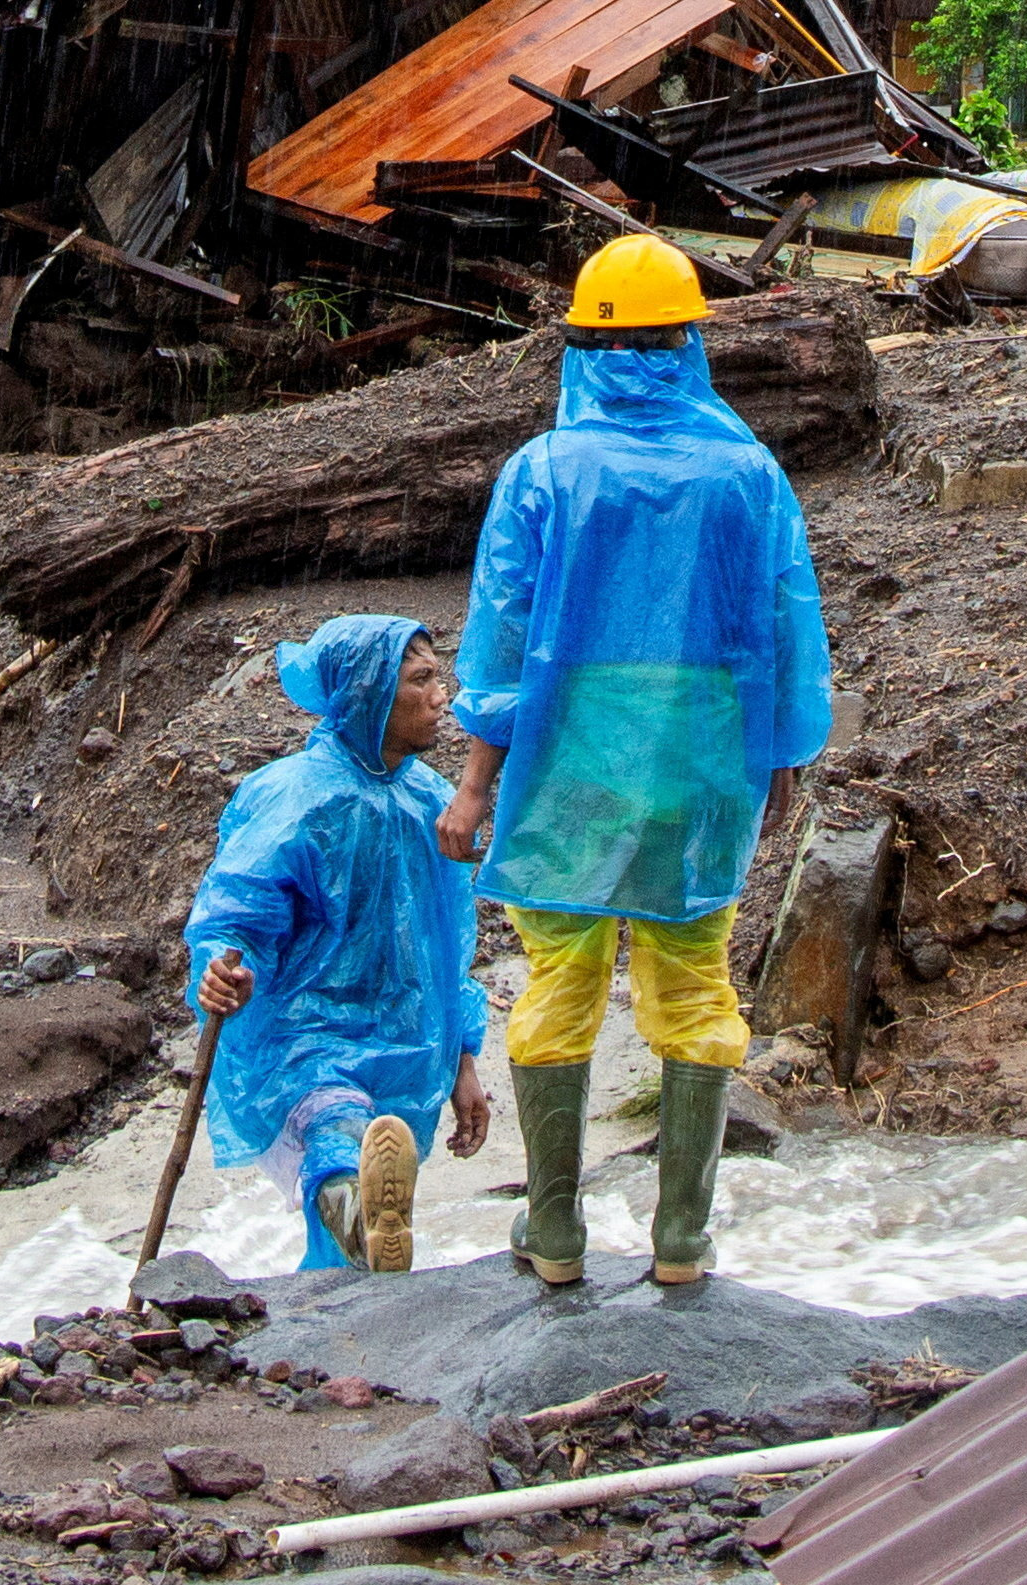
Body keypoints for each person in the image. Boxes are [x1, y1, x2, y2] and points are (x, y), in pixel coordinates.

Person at [439, 235, 832, 1287]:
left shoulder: (543, 472)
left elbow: (504, 639)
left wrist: (476, 785)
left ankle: (557, 1234)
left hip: (567, 761)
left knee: (557, 976)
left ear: (581, 348)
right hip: (701, 764)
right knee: (695, 978)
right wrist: (781, 762)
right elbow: (787, 625)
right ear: (690, 342)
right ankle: (682, 1240)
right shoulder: (747, 474)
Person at [184, 611, 491, 1272]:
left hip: (405, 1044)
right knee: (335, 1139)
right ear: (369, 691)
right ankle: (357, 1219)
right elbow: (237, 911)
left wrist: (464, 1059)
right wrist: (220, 968)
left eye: (439, 677)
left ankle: (340, 1301)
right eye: (421, 680)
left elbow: (450, 945)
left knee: (361, 1184)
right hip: (307, 1035)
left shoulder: (430, 800)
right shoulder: (295, 798)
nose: (444, 698)